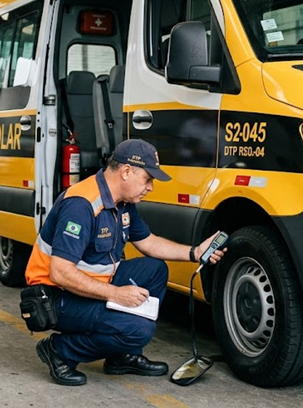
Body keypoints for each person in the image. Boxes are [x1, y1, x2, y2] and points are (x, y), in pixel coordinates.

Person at [25, 139, 226, 386]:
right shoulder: (81, 205)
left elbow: (149, 242)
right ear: (126, 171)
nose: (150, 187)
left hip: (91, 285)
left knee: (155, 270)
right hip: (56, 297)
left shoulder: (123, 204)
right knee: (137, 330)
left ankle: (120, 356)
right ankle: (59, 350)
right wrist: (117, 294)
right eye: (147, 179)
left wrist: (195, 252)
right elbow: (60, 272)